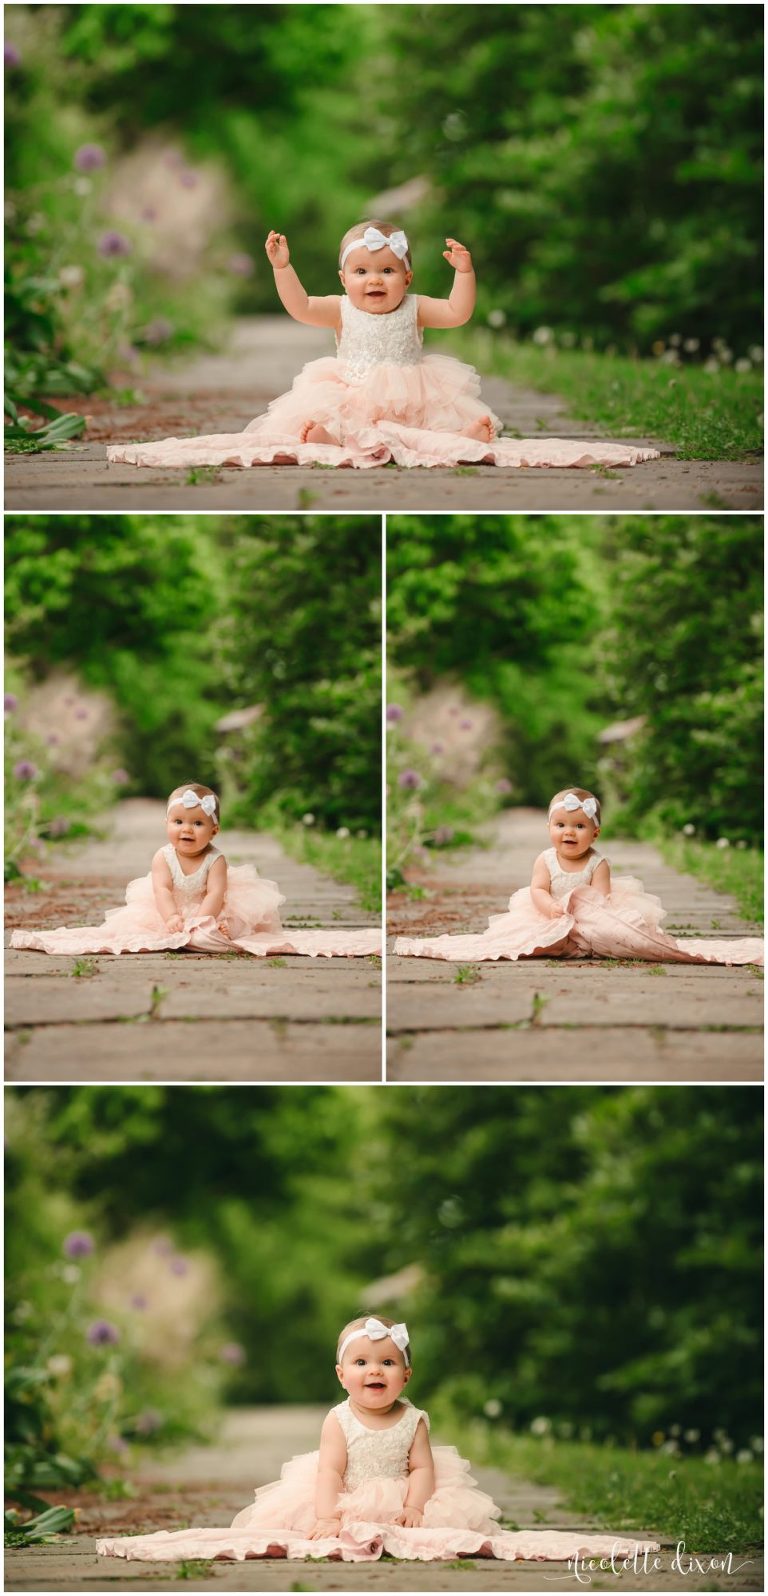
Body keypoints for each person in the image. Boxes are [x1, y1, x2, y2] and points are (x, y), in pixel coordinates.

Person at [96, 1315, 660, 1565]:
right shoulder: (336, 1419)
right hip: (345, 1495)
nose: (375, 1371)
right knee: (311, 1525)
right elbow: (329, 1473)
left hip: (399, 1494)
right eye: (361, 1362)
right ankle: (325, 1525)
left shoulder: (414, 1418)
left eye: (388, 1362)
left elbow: (421, 1470)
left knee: (432, 1526)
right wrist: (324, 1514)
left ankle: (408, 1523)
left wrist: (415, 1505)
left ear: (405, 1376)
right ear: (341, 1375)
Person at [107, 222, 660, 472]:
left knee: (425, 426)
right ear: (344, 279)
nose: (376, 280)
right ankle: (327, 439)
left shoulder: (418, 307)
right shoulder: (339, 307)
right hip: (350, 393)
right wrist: (283, 268)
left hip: (414, 392)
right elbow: (299, 307)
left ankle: (461, 440)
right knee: (348, 422)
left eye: (388, 270)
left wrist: (464, 273)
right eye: (363, 270)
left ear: (408, 275)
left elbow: (459, 312)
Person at [10, 783, 380, 959]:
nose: (187, 830)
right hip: (169, 912)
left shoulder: (215, 859)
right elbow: (162, 891)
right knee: (148, 931)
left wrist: (204, 919)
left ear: (214, 831)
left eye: (198, 824)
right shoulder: (162, 857)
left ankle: (210, 933)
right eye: (179, 821)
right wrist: (172, 917)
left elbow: (217, 894)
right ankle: (186, 933)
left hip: (208, 910)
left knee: (231, 928)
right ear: (166, 823)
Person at [394, 788, 763, 964]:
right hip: (551, 914)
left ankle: (582, 942)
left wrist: (582, 914)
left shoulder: (597, 863)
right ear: (549, 827)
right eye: (561, 825)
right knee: (526, 940)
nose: (569, 833)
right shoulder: (545, 859)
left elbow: (600, 902)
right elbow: (538, 890)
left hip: (586, 920)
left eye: (579, 826)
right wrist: (552, 907)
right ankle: (559, 940)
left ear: (595, 833)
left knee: (610, 931)